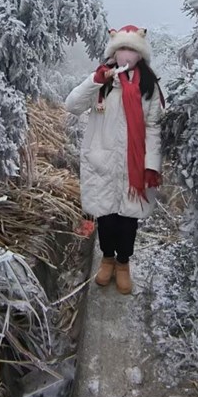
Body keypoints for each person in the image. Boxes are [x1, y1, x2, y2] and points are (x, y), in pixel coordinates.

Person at [65, 25, 164, 294]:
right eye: (122, 49)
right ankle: (107, 259)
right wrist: (95, 79)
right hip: (103, 162)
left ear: (140, 55)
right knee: (106, 217)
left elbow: (153, 127)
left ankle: (123, 264)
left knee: (128, 220)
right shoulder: (103, 82)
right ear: (114, 52)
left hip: (135, 165)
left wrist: (151, 165)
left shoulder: (148, 86)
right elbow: (72, 105)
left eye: (132, 49)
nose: (126, 54)